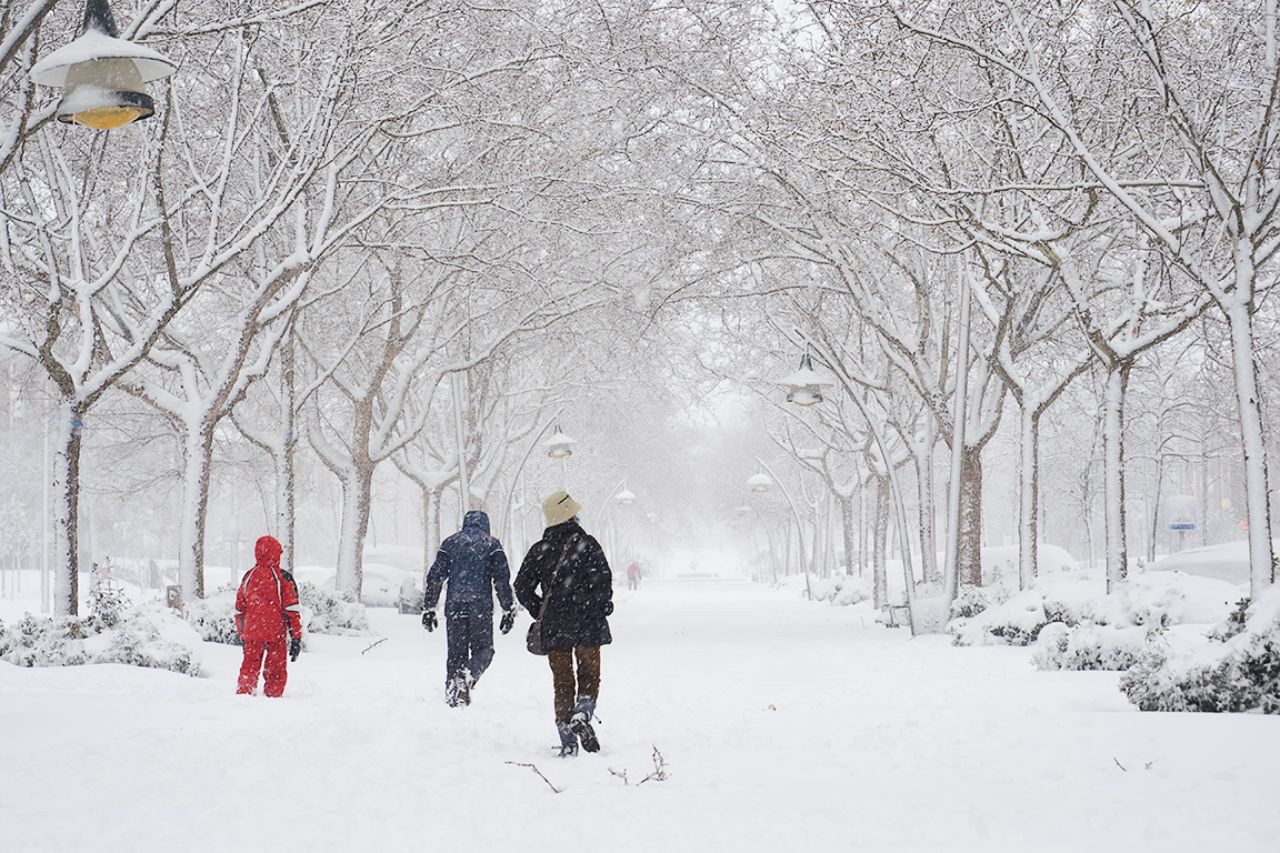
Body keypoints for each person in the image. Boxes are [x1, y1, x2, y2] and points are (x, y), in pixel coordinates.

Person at [514, 490, 613, 757]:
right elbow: (603, 580)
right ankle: (582, 712)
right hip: (588, 623)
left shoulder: (540, 550)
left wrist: (541, 612)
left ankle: (568, 741)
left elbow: (521, 587)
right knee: (589, 675)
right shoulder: (588, 545)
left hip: (556, 626)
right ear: (572, 516)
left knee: (562, 681)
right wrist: (601, 605)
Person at [422, 510, 515, 706]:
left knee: (456, 654)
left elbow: (435, 577)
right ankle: (469, 675)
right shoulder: (492, 545)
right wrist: (508, 608)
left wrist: (429, 607)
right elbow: (501, 580)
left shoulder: (450, 543)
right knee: (484, 651)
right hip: (480, 607)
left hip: (455, 606)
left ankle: (453, 696)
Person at [234, 535, 303, 697]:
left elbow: (239, 609)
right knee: (276, 668)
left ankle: (245, 692)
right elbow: (292, 610)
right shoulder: (282, 578)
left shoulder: (249, 576)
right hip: (275, 631)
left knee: (250, 665)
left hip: (252, 631)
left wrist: (242, 632)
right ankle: (273, 696)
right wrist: (296, 636)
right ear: (276, 554)